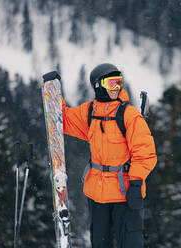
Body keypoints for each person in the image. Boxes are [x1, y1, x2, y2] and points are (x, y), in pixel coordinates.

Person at [61, 63, 157, 248]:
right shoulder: (89, 112)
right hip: (97, 194)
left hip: (125, 193)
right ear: (99, 85)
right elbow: (63, 120)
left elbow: (145, 152)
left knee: (129, 243)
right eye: (111, 83)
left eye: (119, 83)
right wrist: (52, 89)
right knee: (99, 243)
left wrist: (136, 184)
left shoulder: (129, 115)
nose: (116, 87)